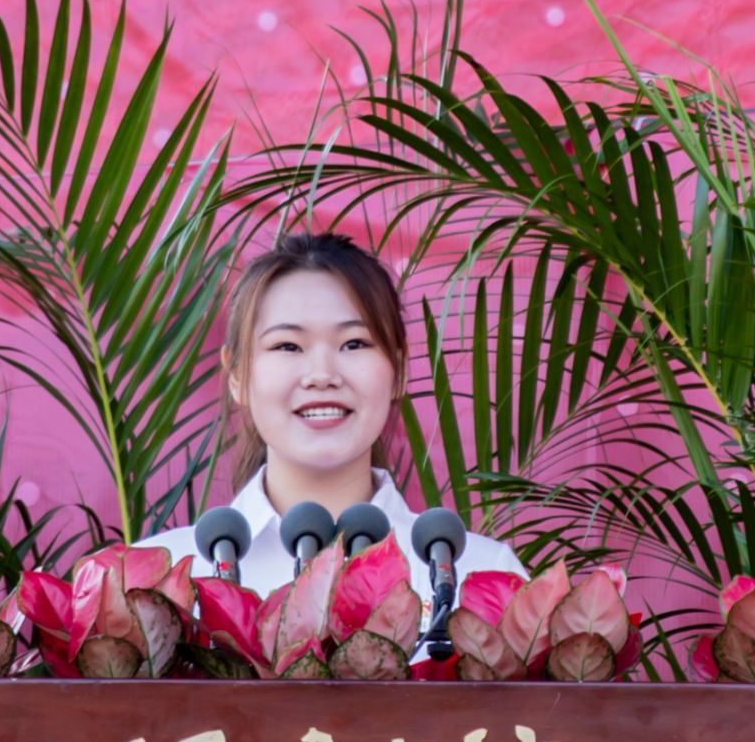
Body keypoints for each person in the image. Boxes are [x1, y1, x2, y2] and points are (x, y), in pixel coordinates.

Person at [141, 230, 529, 597]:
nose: (322, 375)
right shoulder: (160, 579)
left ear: (399, 370)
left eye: (354, 343)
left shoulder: (481, 574)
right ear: (237, 375)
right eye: (288, 346)